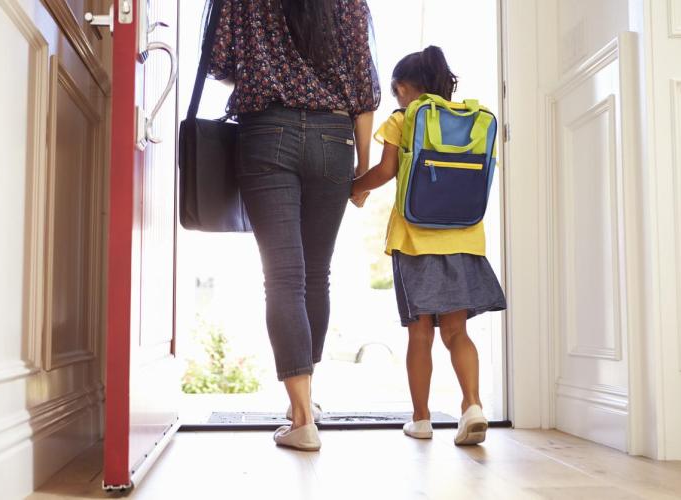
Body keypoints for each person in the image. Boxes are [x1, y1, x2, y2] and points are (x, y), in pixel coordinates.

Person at [207, 0, 380, 450]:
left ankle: (301, 416)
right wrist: (362, 169)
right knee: (316, 274)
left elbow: (219, 63)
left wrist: (263, 70)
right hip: (334, 139)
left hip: (267, 132)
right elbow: (363, 91)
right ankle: (305, 402)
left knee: (284, 277)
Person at [351, 46, 506, 445]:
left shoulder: (403, 118)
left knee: (420, 335)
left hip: (415, 239)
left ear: (402, 87)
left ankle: (421, 420)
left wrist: (353, 188)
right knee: (457, 332)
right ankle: (472, 405)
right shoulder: (472, 120)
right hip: (464, 237)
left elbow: (385, 170)